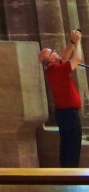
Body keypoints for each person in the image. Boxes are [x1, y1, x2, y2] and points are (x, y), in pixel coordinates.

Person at [38, 30, 84, 167]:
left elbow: (63, 57)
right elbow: (76, 60)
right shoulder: (57, 71)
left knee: (67, 145)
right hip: (68, 114)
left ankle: (66, 175)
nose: (56, 52)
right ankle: (71, 177)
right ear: (51, 59)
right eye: (53, 52)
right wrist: (79, 41)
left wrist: (72, 42)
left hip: (65, 113)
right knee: (72, 147)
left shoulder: (53, 68)